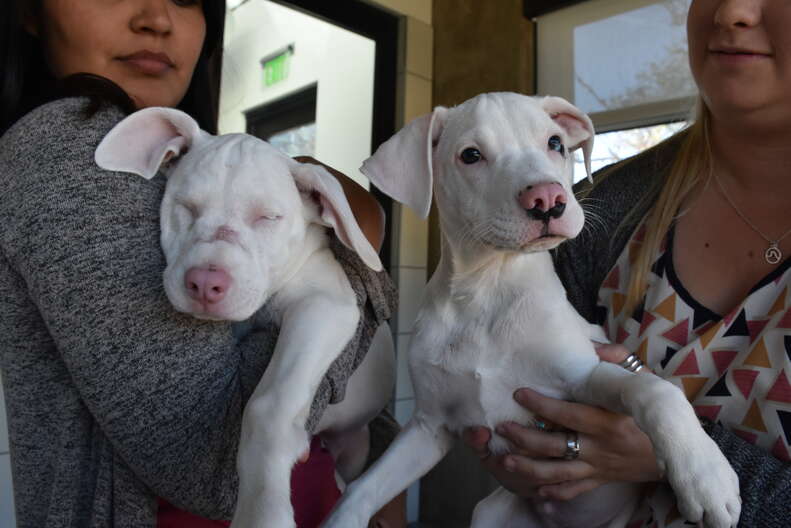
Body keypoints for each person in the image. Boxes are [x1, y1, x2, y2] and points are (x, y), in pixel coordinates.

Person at [0, 1, 404, 527]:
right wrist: (355, 270)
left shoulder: (203, 161)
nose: (157, 18)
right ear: (30, 10)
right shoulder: (71, 143)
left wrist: (375, 467)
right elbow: (221, 470)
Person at [463, 0, 791, 526]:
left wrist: (667, 454)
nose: (731, 12)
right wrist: (529, 453)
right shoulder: (598, 211)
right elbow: (519, 409)